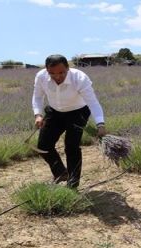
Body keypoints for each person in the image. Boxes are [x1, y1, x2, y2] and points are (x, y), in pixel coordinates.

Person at [32, 54, 107, 188]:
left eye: (61, 72)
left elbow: (93, 103)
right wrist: (38, 114)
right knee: (43, 145)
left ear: (68, 68)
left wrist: (100, 124)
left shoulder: (80, 78)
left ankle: (72, 184)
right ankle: (61, 173)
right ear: (46, 70)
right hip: (55, 112)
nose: (57, 76)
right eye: (52, 73)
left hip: (78, 113)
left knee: (71, 147)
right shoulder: (41, 77)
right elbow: (37, 97)